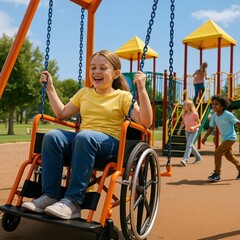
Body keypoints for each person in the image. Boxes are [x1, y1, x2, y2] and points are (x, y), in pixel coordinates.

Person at [22, 50, 153, 219]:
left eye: (103, 68)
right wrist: (50, 89)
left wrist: (141, 90)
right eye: (93, 68)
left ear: (115, 74)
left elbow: (145, 122)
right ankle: (50, 196)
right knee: (52, 136)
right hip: (83, 141)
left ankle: (73, 202)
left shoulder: (123, 97)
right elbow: (62, 113)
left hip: (110, 144)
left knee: (85, 137)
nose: (96, 71)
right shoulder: (84, 93)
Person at [202, 94, 240, 182]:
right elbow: (211, 127)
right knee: (229, 156)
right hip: (225, 138)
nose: (213, 106)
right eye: (213, 104)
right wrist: (205, 136)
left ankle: (217, 174)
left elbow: (237, 122)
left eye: (216, 104)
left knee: (217, 152)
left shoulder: (228, 115)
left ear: (222, 106)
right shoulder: (214, 116)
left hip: (231, 138)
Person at [177, 99, 202, 166]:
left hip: (193, 131)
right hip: (187, 131)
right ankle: (198, 157)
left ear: (189, 106)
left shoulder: (195, 114)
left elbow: (199, 124)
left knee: (189, 145)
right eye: (183, 105)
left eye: (185, 105)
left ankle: (185, 160)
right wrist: (179, 130)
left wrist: (194, 127)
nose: (183, 106)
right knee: (190, 145)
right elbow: (182, 123)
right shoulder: (184, 114)